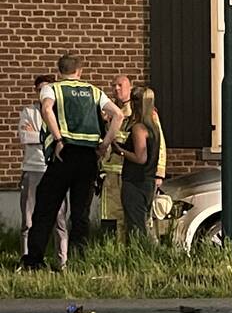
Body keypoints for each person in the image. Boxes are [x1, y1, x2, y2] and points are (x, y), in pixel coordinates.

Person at [21, 53, 123, 269]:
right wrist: (104, 145)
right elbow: (118, 115)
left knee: (46, 208)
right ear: (80, 71)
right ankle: (79, 261)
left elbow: (47, 109)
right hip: (88, 158)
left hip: (63, 155)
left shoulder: (53, 89)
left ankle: (34, 260)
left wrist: (58, 138)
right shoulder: (94, 91)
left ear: (59, 71)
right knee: (80, 213)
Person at [100, 75, 167, 237]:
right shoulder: (110, 113)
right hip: (111, 174)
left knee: (135, 218)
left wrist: (159, 172)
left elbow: (159, 144)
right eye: (113, 85)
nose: (116, 89)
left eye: (120, 85)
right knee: (111, 215)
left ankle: (135, 251)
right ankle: (113, 251)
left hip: (133, 174)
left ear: (129, 88)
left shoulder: (144, 115)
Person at [18, 74, 69, 269]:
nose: (42, 93)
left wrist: (41, 135)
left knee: (59, 219)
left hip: (54, 168)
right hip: (33, 167)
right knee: (28, 218)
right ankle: (27, 259)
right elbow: (25, 136)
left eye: (45, 89)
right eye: (39, 89)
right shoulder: (29, 111)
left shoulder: (60, 113)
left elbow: (62, 137)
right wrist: (48, 137)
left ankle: (62, 261)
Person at [113, 86, 161, 237]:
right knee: (142, 223)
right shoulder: (154, 127)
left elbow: (140, 158)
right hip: (148, 180)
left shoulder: (138, 128)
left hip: (135, 181)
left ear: (134, 104)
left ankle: (138, 255)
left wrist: (120, 150)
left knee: (135, 227)